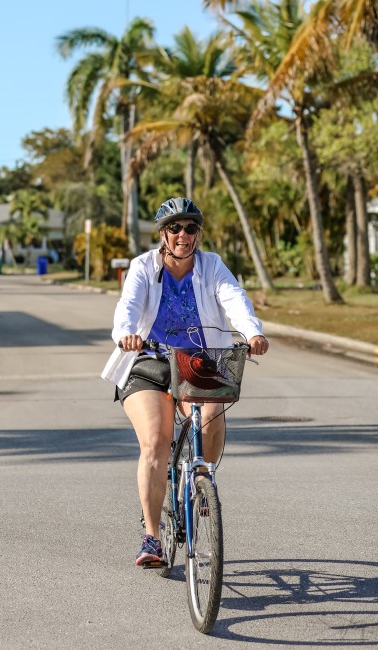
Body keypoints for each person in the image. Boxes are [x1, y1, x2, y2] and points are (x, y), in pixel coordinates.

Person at [101, 197, 269, 566]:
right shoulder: (144, 266)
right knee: (156, 441)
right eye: (175, 228)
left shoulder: (212, 265)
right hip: (149, 361)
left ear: (198, 234)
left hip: (197, 360)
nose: (183, 235)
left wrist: (251, 332)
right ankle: (152, 536)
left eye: (190, 228)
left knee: (212, 416)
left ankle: (200, 484)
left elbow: (234, 298)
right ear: (163, 233)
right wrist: (127, 333)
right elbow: (128, 306)